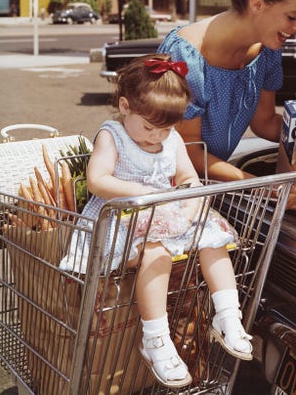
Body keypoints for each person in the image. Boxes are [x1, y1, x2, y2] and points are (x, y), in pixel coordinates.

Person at [60, 54, 252, 389]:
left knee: (214, 241)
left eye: (166, 129)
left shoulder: (171, 140)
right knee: (156, 250)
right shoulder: (113, 135)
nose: (156, 138)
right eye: (149, 127)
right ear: (124, 106)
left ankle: (227, 316)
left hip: (166, 213)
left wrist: (189, 210)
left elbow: (189, 178)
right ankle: (156, 339)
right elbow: (98, 179)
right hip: (123, 217)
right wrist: (141, 193)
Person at [159, 0, 296, 208]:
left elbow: (265, 122)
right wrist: (261, 186)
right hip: (170, 195)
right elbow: (189, 151)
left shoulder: (267, 50)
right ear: (257, 3)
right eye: (293, 16)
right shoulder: (186, 56)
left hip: (214, 191)